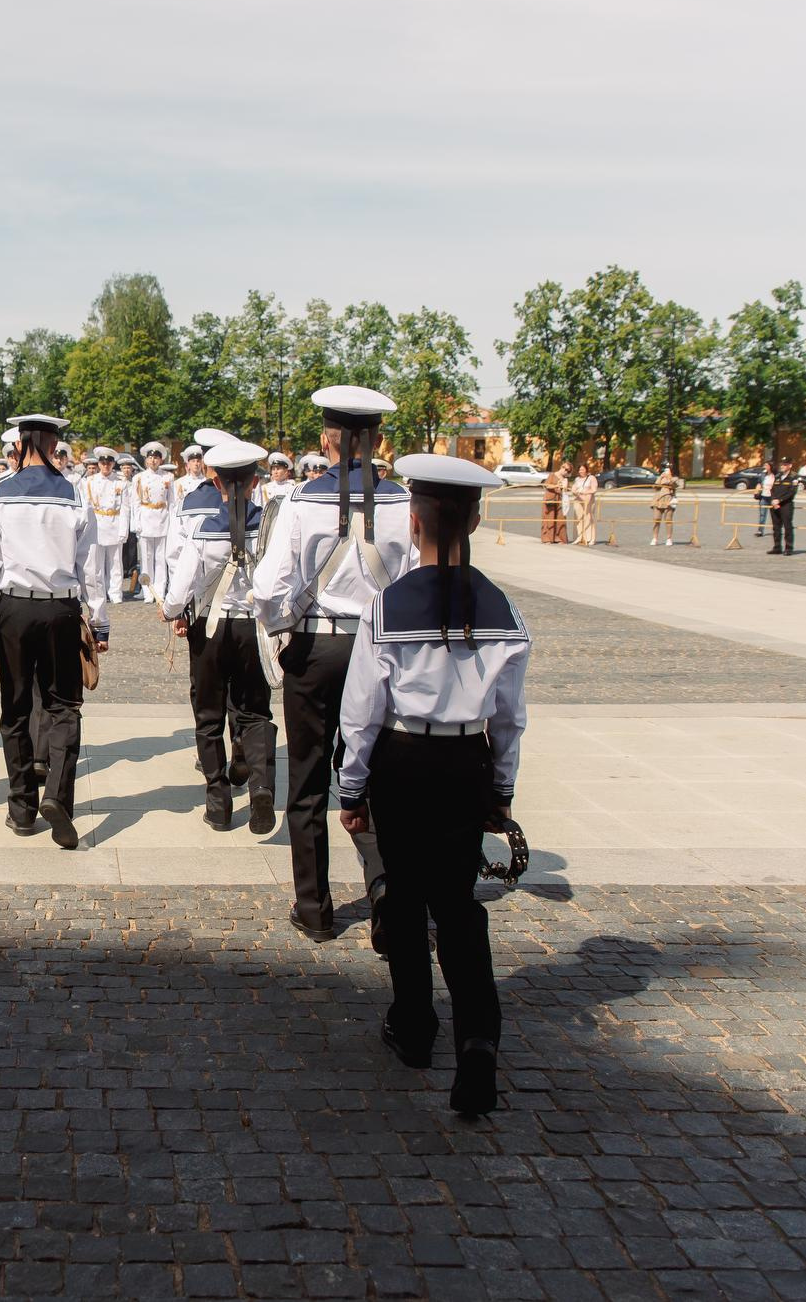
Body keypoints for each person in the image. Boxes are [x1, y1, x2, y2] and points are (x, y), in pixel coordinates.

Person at [337, 452, 528, 1119]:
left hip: (405, 759)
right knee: (459, 905)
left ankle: (415, 1027)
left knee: (409, 897)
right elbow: (509, 716)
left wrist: (352, 790)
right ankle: (478, 1039)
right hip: (465, 761)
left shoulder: (388, 606)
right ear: (474, 517)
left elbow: (361, 710)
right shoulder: (503, 609)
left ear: (414, 522)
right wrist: (500, 791)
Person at [251, 385, 414, 942]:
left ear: (327, 440)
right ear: (378, 441)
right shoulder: (403, 502)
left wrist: (280, 631)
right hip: (384, 648)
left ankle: (315, 908)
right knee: (383, 777)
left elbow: (269, 586)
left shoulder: (300, 499)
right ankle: (387, 886)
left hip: (318, 646)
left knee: (308, 780)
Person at [0, 414, 110, 851]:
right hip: (62, 609)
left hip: (13, 609)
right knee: (64, 706)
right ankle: (58, 799)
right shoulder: (74, 495)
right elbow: (92, 566)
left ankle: (22, 807)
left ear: (20, 444)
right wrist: (99, 620)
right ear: (52, 444)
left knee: (15, 709)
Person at [161, 440, 277, 834]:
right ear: (253, 482)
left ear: (219, 483)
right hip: (252, 628)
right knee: (256, 712)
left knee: (209, 717)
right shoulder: (270, 528)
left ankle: (218, 802)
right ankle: (261, 786)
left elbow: (179, 592)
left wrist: (169, 611)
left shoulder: (202, 529)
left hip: (211, 628)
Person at [81, 446, 129, 604]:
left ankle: (115, 592)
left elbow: (125, 508)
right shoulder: (90, 481)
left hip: (114, 523)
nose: (105, 465)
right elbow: (86, 507)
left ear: (113, 464)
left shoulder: (121, 483)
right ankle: (99, 592)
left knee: (115, 563)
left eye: (109, 462)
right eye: (102, 462)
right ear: (99, 463)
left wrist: (124, 530)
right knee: (97, 564)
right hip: (97, 525)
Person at [131, 442, 173, 601]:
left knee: (161, 558)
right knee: (146, 558)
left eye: (156, 458)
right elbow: (135, 502)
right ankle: (148, 591)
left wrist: (172, 523)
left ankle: (160, 590)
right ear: (146, 460)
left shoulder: (168, 477)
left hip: (162, 518)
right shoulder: (139, 478)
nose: (153, 460)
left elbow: (172, 502)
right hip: (146, 517)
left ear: (161, 460)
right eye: (150, 458)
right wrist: (136, 523)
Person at [767, 458, 800, 555]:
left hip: (786, 505)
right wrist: (773, 500)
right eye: (781, 464)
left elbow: (792, 492)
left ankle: (788, 548)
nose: (782, 466)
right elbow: (772, 489)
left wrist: (780, 500)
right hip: (775, 505)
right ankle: (777, 547)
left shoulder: (794, 477)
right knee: (776, 527)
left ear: (790, 466)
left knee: (787, 527)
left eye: (784, 465)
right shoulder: (778, 476)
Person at [649, 464, 680, 545]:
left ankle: (669, 538)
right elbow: (655, 487)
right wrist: (661, 477)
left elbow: (675, 485)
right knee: (656, 519)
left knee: (668, 519)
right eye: (665, 469)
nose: (666, 471)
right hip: (658, 499)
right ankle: (654, 538)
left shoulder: (675, 478)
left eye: (668, 469)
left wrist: (669, 478)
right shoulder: (661, 476)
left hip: (669, 499)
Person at [571, 462, 599, 546]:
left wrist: (584, 492)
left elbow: (594, 489)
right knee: (578, 518)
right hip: (578, 500)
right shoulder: (577, 479)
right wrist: (575, 491)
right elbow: (574, 488)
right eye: (579, 469)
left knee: (589, 518)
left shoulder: (591, 478)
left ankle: (591, 538)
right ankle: (579, 537)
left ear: (586, 470)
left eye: (582, 469)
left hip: (588, 500)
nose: (580, 471)